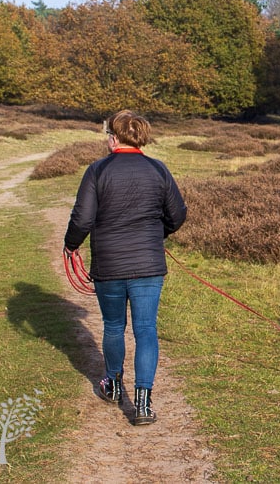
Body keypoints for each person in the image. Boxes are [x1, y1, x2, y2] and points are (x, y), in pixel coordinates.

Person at [63, 110, 187, 426]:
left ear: (113, 138)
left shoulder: (97, 171)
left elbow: (82, 219)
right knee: (146, 328)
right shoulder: (158, 169)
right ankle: (143, 403)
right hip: (148, 263)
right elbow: (177, 215)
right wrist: (156, 234)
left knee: (114, 326)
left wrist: (71, 245)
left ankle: (114, 384)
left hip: (109, 264)